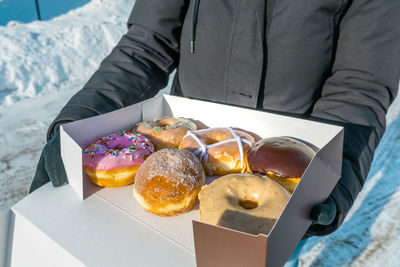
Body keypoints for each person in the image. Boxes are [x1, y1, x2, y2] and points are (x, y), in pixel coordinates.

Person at [30, 0, 400, 265]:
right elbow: (146, 46)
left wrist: (332, 176)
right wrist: (76, 125)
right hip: (185, 149)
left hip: (286, 172)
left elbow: (360, 86)